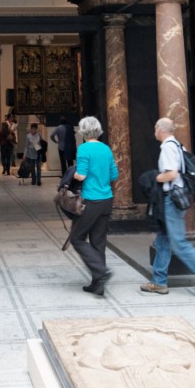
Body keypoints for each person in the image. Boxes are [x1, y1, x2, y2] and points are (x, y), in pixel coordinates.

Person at [140, 118, 195, 299]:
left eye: (155, 128)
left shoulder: (167, 148)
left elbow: (172, 173)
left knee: (179, 243)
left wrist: (154, 178)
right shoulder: (179, 146)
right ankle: (159, 281)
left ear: (159, 129)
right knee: (163, 239)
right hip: (177, 199)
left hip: (171, 199)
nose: (154, 131)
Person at [67, 116, 118, 295]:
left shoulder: (84, 149)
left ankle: (102, 272)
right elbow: (114, 175)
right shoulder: (106, 149)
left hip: (90, 200)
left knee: (77, 238)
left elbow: (81, 175)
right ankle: (98, 284)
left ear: (83, 131)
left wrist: (71, 175)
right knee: (98, 241)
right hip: (106, 200)